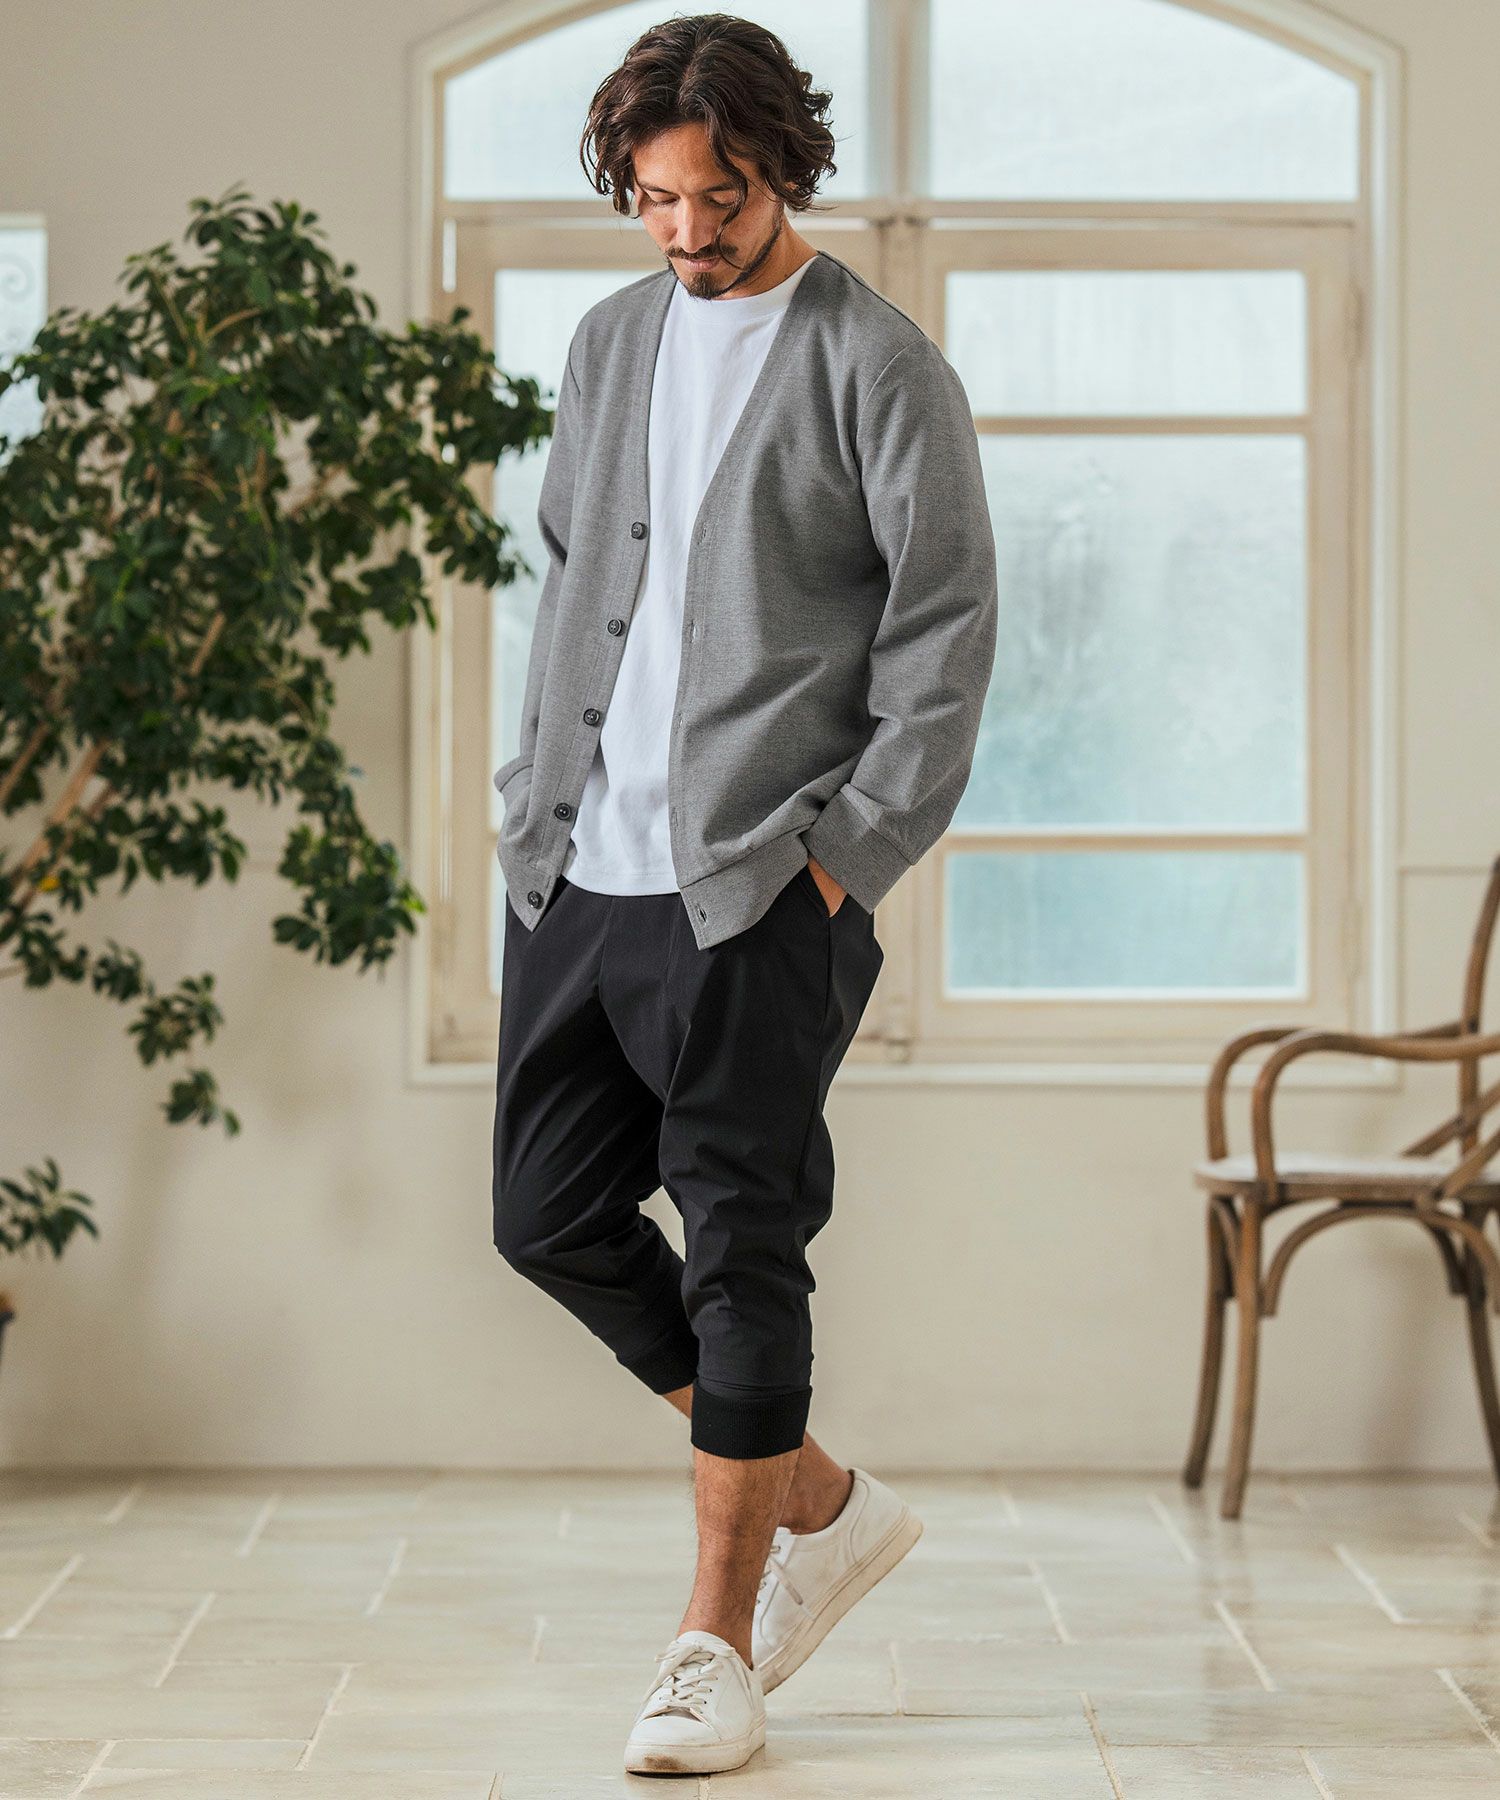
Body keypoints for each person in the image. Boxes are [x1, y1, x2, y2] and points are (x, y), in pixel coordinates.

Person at [489, 12, 998, 1777]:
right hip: (579, 868)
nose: (689, 233)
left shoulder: (878, 364)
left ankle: (712, 1646)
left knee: (740, 1244)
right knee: (544, 1216)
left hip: (758, 887)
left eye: (723, 197)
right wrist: (529, 805)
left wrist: (843, 861)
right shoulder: (611, 341)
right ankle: (821, 1501)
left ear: (786, 167)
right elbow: (572, 576)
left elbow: (945, 636)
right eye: (656, 200)